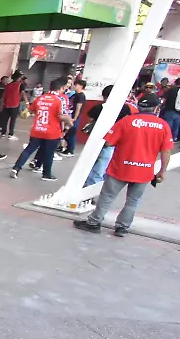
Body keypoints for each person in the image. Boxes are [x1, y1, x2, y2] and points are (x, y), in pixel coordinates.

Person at [74, 93, 172, 237]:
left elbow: (109, 142)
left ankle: (94, 223)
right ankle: (122, 227)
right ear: (156, 107)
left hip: (121, 167)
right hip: (144, 171)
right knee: (133, 201)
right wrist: (163, 170)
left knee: (107, 196)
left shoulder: (127, 121)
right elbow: (166, 151)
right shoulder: (163, 126)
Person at [10, 78, 72, 181]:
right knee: (49, 153)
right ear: (61, 88)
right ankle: (46, 174)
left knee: (29, 150)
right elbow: (61, 116)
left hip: (37, 129)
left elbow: (30, 111)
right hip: (52, 132)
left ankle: (16, 168)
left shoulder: (40, 98)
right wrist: (69, 121)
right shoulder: (60, 100)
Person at [83, 85, 140, 188]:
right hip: (112, 143)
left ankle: (86, 187)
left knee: (90, 165)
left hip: (95, 141)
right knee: (101, 168)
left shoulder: (97, 108)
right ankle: (89, 194)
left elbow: (90, 122)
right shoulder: (124, 108)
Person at [58, 79, 88, 157]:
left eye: (76, 85)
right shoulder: (75, 94)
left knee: (71, 134)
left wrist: (75, 118)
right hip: (70, 116)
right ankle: (67, 148)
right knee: (65, 133)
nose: (74, 86)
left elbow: (78, 107)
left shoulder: (81, 96)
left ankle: (70, 150)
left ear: (81, 86)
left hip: (74, 117)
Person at [160, 76, 180, 142]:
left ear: (175, 83)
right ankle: (172, 140)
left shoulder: (171, 90)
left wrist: (159, 106)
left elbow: (163, 99)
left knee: (168, 127)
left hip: (169, 110)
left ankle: (164, 140)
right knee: (176, 127)